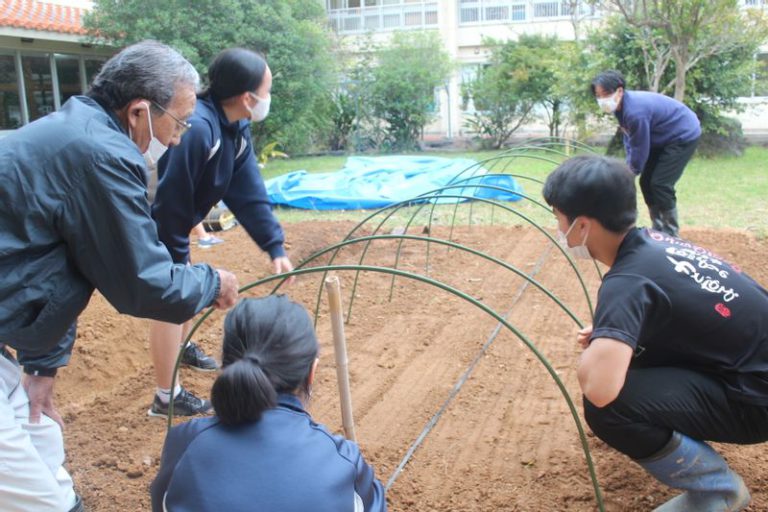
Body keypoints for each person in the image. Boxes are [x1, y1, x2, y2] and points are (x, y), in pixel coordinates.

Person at [0, 41, 239, 512]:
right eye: (180, 121)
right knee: (42, 499)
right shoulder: (100, 154)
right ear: (139, 112)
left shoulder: (80, 133)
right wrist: (213, 282)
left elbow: (58, 265)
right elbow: (142, 282)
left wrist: (42, 367)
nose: (177, 137)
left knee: (41, 434)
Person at [542, 155, 768, 512]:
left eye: (558, 218)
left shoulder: (627, 281)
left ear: (582, 226)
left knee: (609, 406)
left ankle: (717, 492)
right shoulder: (655, 242)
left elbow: (600, 388)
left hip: (757, 403)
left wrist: (600, 348)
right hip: (755, 372)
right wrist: (613, 333)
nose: (559, 229)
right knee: (635, 356)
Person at [146, 47, 294, 418]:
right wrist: (176, 257)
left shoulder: (236, 130)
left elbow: (248, 191)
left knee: (186, 284)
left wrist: (274, 246)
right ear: (248, 97)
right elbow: (170, 199)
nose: (268, 99)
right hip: (153, 219)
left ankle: (182, 347)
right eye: (268, 90)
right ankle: (165, 397)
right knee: (171, 299)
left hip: (175, 219)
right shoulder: (198, 130)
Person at [150, 295, 387, 512]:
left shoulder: (185, 442)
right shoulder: (344, 459)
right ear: (311, 373)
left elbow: (162, 503)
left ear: (225, 366)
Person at [591, 70, 701, 237]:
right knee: (646, 182)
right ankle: (658, 228)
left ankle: (671, 233)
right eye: (598, 96)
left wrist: (629, 173)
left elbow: (640, 147)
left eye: (605, 94)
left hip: (681, 135)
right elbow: (629, 138)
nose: (602, 100)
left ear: (619, 91)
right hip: (661, 137)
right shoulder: (620, 108)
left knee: (660, 184)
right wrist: (629, 169)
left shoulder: (635, 111)